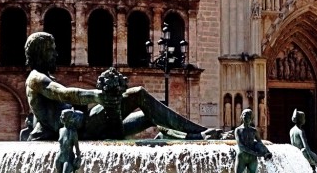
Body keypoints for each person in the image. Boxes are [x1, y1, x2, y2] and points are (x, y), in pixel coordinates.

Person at [23, 32, 209, 140]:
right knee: (138, 94)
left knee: (150, 117)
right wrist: (97, 96)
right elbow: (64, 93)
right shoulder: (36, 78)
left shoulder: (44, 76)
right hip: (85, 129)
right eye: (51, 50)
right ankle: (201, 132)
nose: (55, 54)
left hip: (87, 128)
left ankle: (191, 137)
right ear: (39, 53)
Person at [233, 108, 272, 173]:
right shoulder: (238, 130)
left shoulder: (254, 131)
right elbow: (241, 146)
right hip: (241, 157)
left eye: (249, 116)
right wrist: (255, 153)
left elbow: (260, 143)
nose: (247, 117)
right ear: (241, 117)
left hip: (252, 159)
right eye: (245, 115)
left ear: (251, 119)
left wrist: (266, 152)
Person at [56, 109, 84, 173]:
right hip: (59, 158)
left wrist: (78, 158)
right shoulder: (60, 130)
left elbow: (77, 148)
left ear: (68, 118)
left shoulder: (73, 132)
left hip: (69, 158)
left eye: (63, 115)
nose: (61, 117)